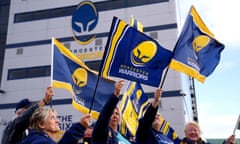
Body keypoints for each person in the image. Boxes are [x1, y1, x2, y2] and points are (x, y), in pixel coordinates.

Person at [22, 107, 92, 144]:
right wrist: (80, 127)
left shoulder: (34, 139)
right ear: (41, 124)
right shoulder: (42, 142)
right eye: (52, 118)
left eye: (56, 117)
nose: (58, 121)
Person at [91, 80, 131, 144]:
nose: (115, 116)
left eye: (117, 114)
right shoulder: (101, 133)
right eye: (111, 114)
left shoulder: (125, 137)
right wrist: (115, 95)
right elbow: (104, 117)